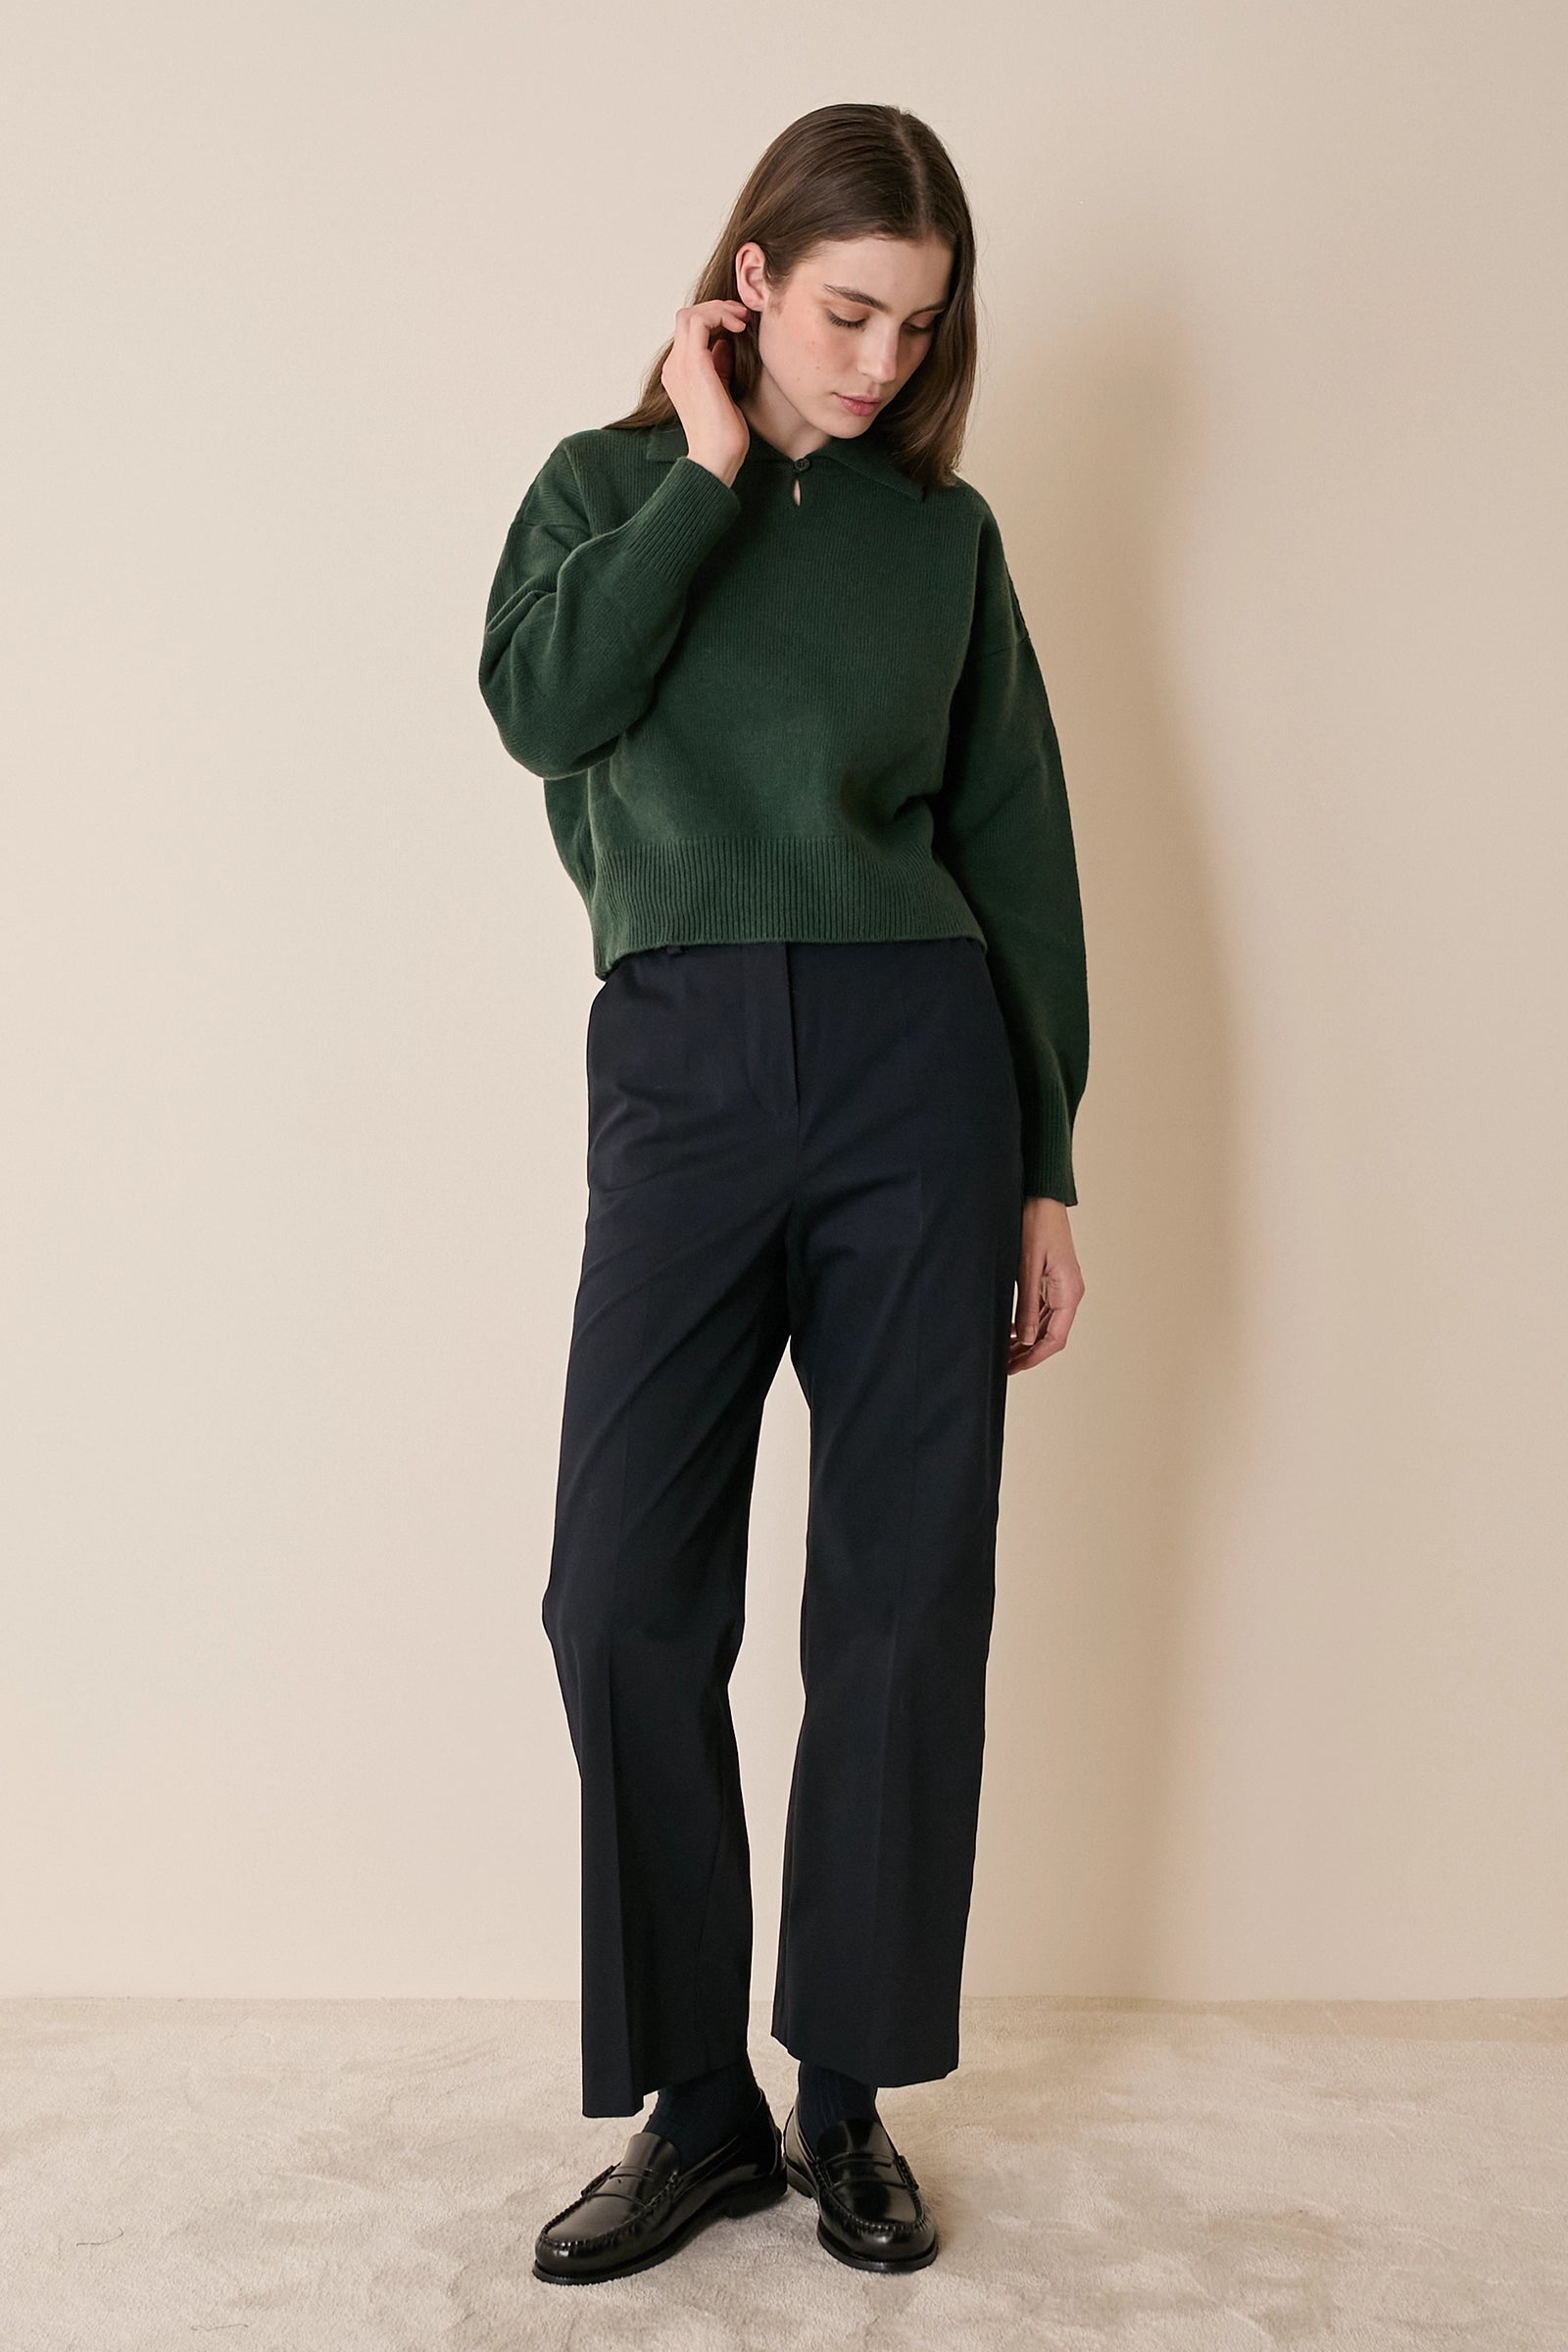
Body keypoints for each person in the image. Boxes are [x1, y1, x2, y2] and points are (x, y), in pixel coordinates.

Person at [477, 102, 1089, 2284]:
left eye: (917, 328)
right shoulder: (604, 489)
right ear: (747, 279)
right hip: (685, 1066)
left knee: (904, 1595)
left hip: (922, 1074)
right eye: (846, 314)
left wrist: (1044, 1164)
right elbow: (544, 705)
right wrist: (707, 465)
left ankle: (843, 2093)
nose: (881, 364)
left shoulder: (946, 540)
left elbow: (1015, 846)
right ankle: (698, 2109)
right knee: (618, 1594)